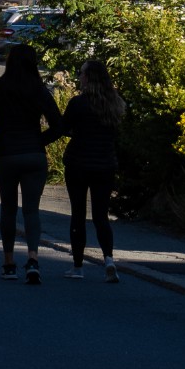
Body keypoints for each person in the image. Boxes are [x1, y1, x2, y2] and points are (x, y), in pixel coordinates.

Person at [0, 42, 61, 284]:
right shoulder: (39, 90)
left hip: (7, 155)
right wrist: (38, 141)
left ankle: (9, 262)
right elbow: (59, 125)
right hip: (34, 155)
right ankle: (33, 258)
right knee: (32, 210)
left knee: (8, 209)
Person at [57, 58, 124, 282]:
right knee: (101, 216)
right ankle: (108, 259)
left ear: (88, 78)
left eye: (82, 73)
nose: (79, 77)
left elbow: (62, 127)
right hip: (105, 164)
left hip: (79, 163)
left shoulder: (79, 104)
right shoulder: (115, 104)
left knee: (78, 215)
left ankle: (77, 266)